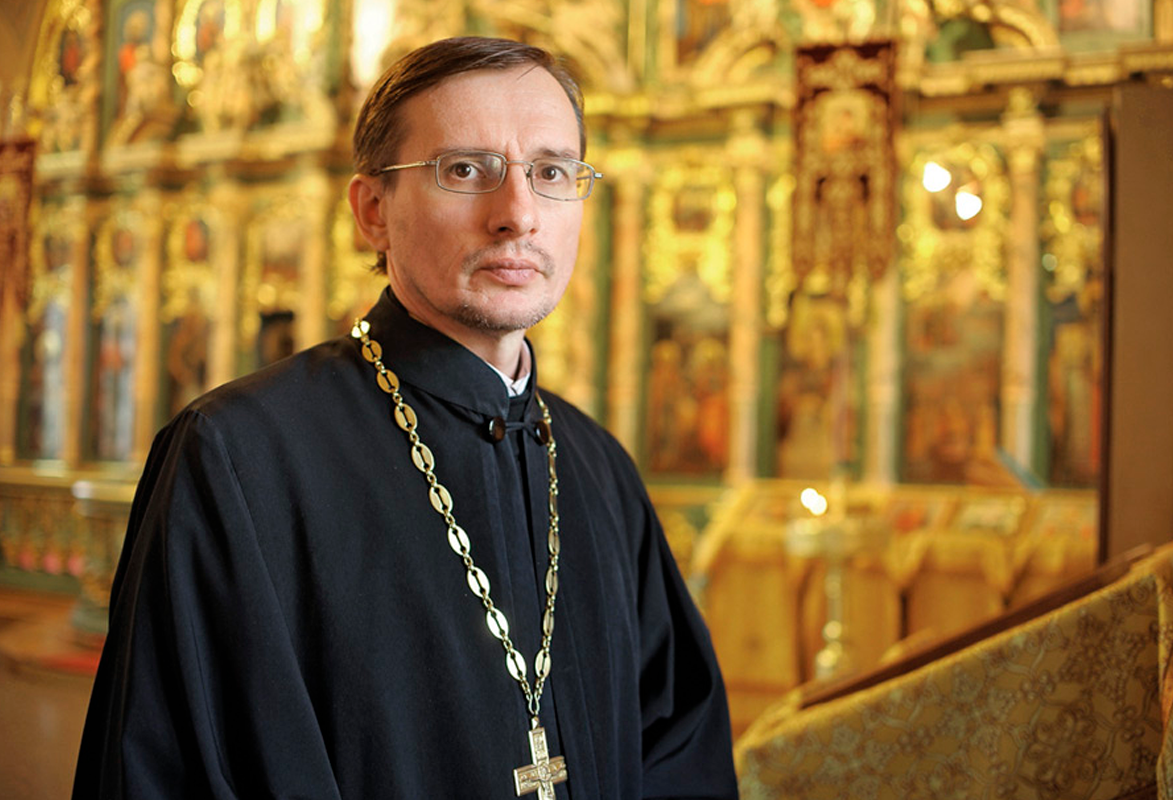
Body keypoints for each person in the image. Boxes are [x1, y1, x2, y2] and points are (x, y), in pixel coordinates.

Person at [73, 36, 738, 799]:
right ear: (372, 209)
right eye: (465, 169)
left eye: (551, 172)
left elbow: (681, 749)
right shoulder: (236, 458)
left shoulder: (600, 468)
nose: (517, 214)